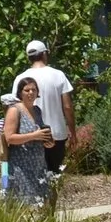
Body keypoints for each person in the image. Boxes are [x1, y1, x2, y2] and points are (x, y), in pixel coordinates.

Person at [15, 39, 74, 179]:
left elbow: (15, 108)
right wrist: (72, 131)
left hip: (30, 135)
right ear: (44, 54)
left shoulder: (20, 78)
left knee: (34, 177)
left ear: (29, 57)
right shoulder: (58, 75)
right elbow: (67, 106)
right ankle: (52, 201)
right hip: (56, 133)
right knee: (54, 176)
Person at [2, 76, 53, 205]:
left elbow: (39, 134)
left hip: (39, 164)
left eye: (33, 90)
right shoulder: (15, 110)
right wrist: (34, 135)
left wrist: (47, 140)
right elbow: (9, 137)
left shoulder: (37, 110)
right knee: (24, 204)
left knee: (42, 202)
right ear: (20, 93)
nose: (31, 93)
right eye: (27, 90)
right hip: (21, 166)